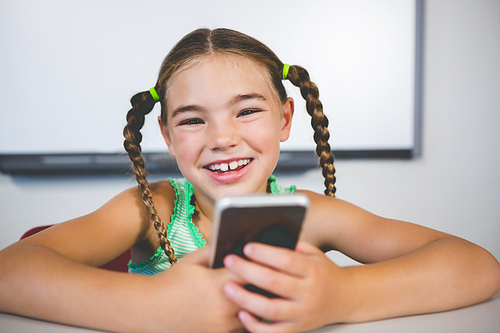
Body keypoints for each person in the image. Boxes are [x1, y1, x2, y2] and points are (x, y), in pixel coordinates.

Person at [0, 28, 499, 333]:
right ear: (168, 136)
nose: (223, 137)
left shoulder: (312, 215)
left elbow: (476, 266)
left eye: (247, 111)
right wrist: (152, 308)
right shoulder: (150, 209)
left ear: (284, 120)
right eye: (193, 120)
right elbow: (10, 271)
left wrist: (343, 295)